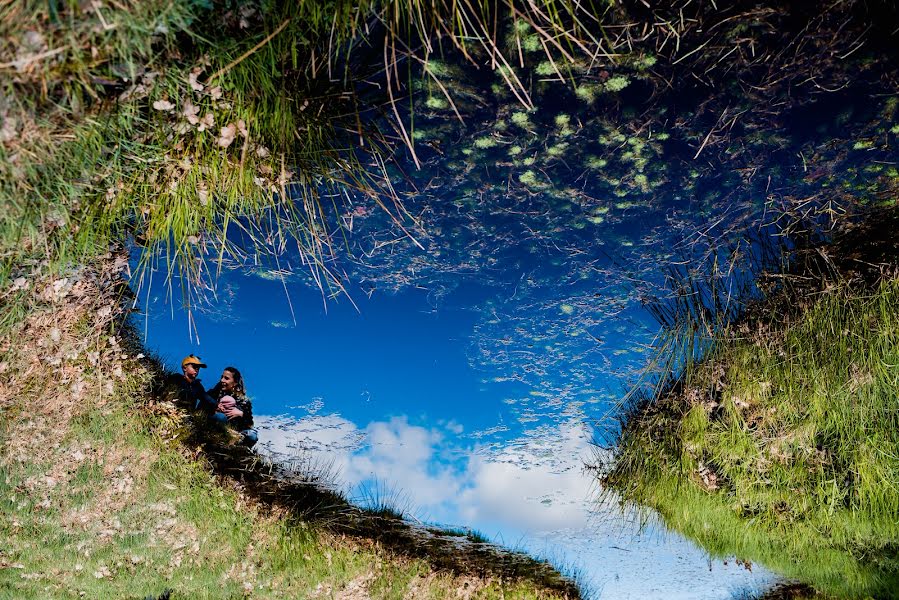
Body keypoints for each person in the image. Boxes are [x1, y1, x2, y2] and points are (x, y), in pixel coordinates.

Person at [207, 366, 257, 447]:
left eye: (226, 378)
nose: (222, 380)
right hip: (217, 427)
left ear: (235, 382)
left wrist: (241, 414)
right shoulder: (214, 393)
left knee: (252, 436)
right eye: (222, 377)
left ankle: (239, 449)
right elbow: (203, 406)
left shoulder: (244, 401)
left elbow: (249, 423)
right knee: (220, 417)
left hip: (236, 431)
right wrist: (215, 408)